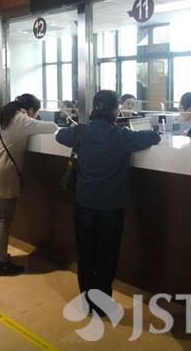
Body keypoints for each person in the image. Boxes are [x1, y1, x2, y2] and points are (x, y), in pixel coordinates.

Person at [56, 90, 161, 314]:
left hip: (84, 203)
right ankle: (102, 304)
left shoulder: (81, 132)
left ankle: (86, 301)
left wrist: (78, 129)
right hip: (111, 206)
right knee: (107, 255)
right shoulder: (122, 136)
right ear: (115, 110)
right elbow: (153, 137)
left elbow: (60, 136)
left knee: (86, 254)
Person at [0, 94, 57, 276]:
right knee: (3, 220)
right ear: (31, 109)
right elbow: (52, 127)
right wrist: (35, 120)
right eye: (35, 112)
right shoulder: (22, 119)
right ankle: (3, 263)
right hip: (5, 173)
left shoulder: (1, 117)